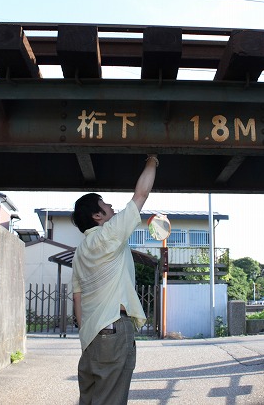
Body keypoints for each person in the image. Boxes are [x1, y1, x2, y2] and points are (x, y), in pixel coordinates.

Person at [71, 154, 159, 405]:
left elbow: (77, 297)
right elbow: (140, 196)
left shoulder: (80, 251)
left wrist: (86, 335)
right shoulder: (109, 235)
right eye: (106, 205)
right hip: (112, 328)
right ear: (97, 216)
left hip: (91, 337)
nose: (111, 208)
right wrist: (152, 160)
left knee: (90, 399)